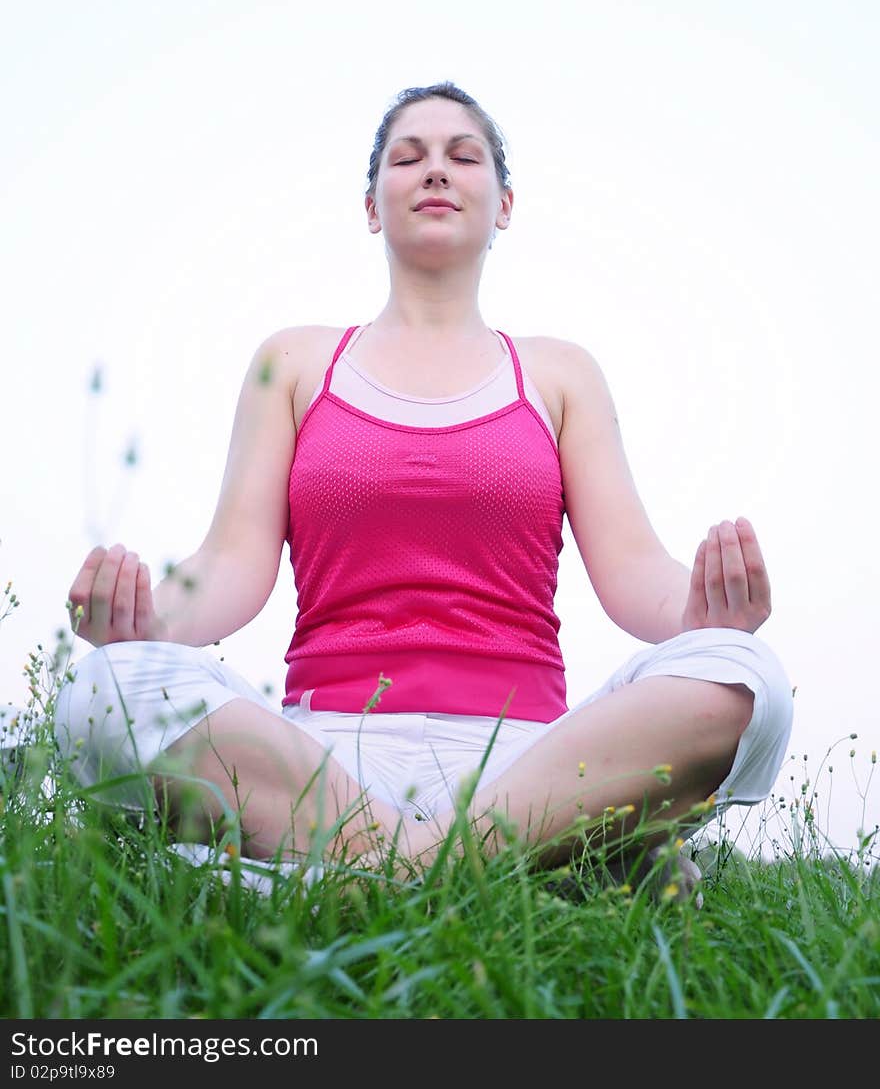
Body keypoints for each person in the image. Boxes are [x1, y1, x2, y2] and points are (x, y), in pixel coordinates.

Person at [55, 81, 794, 895]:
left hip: (527, 766)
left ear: (503, 204)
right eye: (408, 157)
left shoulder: (558, 373)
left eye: (462, 155)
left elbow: (633, 575)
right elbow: (232, 565)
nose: (435, 170)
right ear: (373, 206)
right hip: (322, 766)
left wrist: (708, 615)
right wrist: (142, 625)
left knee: (746, 678)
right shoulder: (297, 363)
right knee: (102, 693)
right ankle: (534, 872)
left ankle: (344, 882)